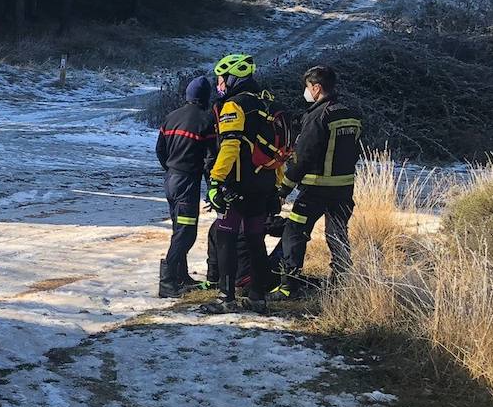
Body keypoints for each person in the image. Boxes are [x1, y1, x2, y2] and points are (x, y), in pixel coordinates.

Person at [272, 64, 362, 300]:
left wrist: (284, 189)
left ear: (317, 88)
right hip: (344, 189)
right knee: (337, 234)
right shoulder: (351, 115)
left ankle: (288, 286)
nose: (306, 91)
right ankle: (342, 283)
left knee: (294, 232)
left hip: (316, 189)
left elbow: (303, 158)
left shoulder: (316, 117)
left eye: (307, 87)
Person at [205, 53, 285, 312]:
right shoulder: (268, 103)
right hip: (264, 184)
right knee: (255, 241)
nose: (219, 84)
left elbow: (229, 147)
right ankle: (257, 297)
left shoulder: (234, 106)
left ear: (233, 78)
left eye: (221, 78)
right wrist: (277, 184)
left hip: (237, 185)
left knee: (225, 238)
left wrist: (215, 180)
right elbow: (280, 152)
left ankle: (226, 297)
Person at [155, 76, 216, 297]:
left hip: (171, 179)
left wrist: (171, 168)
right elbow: (210, 158)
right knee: (186, 233)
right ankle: (167, 282)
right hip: (188, 182)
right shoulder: (206, 121)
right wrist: (213, 186)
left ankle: (181, 275)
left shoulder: (171, 117)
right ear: (206, 97)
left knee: (178, 229)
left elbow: (160, 150)